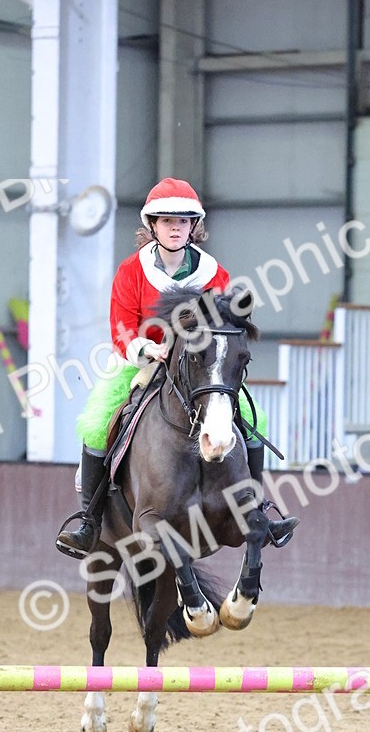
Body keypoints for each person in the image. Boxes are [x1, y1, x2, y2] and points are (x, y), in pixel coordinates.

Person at [56, 177, 297, 558]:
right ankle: (90, 520)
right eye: (166, 221)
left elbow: (224, 322)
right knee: (97, 421)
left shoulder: (213, 273)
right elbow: (120, 323)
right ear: (152, 225)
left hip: (198, 368)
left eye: (182, 222)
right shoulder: (131, 270)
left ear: (193, 227)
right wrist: (144, 348)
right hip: (143, 362)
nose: (174, 228)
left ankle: (258, 509)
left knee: (256, 418)